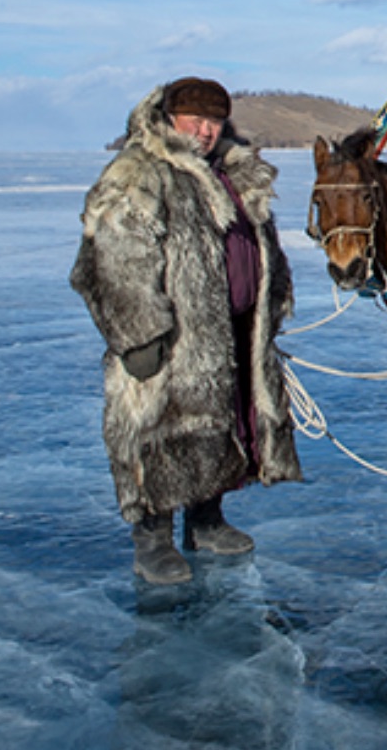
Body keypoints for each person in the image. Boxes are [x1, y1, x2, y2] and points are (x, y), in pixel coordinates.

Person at [70, 77, 303, 585]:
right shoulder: (139, 172)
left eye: (213, 121)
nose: (203, 130)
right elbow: (113, 260)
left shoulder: (232, 174)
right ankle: (152, 540)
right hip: (172, 338)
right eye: (194, 120)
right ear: (170, 117)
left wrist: (273, 301)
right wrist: (140, 334)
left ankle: (206, 521)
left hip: (235, 328)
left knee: (223, 422)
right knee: (161, 430)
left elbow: (262, 244)